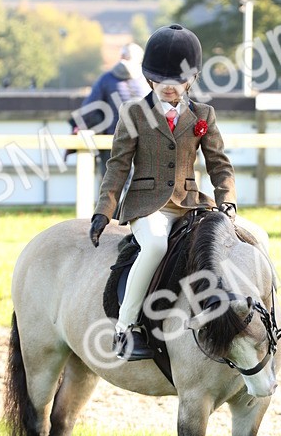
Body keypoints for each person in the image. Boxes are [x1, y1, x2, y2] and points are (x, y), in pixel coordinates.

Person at [88, 24, 237, 361]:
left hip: (192, 204)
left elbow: (219, 164)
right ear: (149, 78)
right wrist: (103, 211)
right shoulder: (134, 113)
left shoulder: (203, 115)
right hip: (148, 206)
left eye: (177, 80)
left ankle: (258, 318)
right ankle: (125, 328)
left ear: (192, 79)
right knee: (155, 246)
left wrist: (227, 200)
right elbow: (118, 166)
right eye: (161, 79)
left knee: (242, 240)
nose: (169, 87)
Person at [71, 42, 147, 175]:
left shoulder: (106, 79)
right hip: (143, 145)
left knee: (112, 185)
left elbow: (88, 111)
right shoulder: (147, 81)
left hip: (112, 144)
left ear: (122, 57)